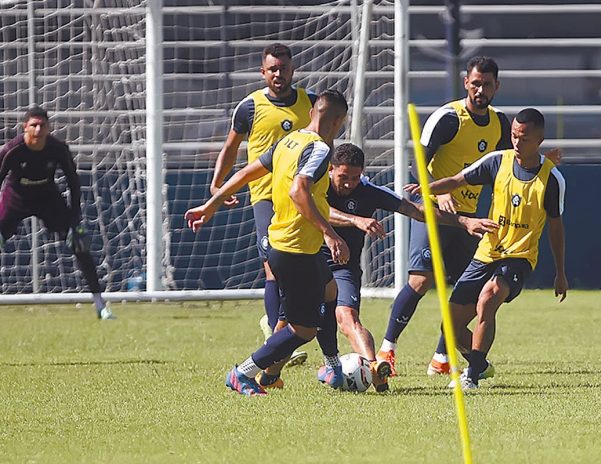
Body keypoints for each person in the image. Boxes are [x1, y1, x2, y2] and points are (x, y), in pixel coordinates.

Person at [185, 90, 349, 396]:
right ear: (339, 121)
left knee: (330, 290)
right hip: (294, 247)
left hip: (287, 243)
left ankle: (332, 366)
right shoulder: (318, 149)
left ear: (312, 111)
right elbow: (299, 190)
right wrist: (330, 232)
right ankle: (242, 373)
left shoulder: (289, 141)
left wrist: (211, 205)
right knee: (303, 329)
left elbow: (247, 172)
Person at [406, 108, 567, 390]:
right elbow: (458, 180)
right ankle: (480, 364)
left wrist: (561, 272)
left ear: (539, 139)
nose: (517, 142)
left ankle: (471, 375)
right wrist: (428, 187)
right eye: (514, 136)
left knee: (487, 299)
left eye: (524, 138)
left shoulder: (552, 180)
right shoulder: (497, 162)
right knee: (451, 328)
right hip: (487, 252)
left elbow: (555, 228)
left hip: (519, 257)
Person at [377, 56, 512, 377]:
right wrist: (440, 192)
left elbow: (504, 168)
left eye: (487, 84)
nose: (480, 90)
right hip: (432, 211)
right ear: (466, 82)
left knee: (467, 291)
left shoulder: (500, 124)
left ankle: (441, 358)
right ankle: (387, 349)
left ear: (497, 86)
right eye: (475, 83)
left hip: (468, 217)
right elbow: (416, 166)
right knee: (421, 280)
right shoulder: (449, 118)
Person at [325, 143, 498, 392]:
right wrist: (356, 220)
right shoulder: (316, 184)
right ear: (331, 170)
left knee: (346, 318)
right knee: (296, 327)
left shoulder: (368, 191)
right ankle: (268, 373)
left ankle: (375, 368)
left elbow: (417, 211)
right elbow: (313, 208)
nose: (349, 183)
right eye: (343, 177)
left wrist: (464, 221)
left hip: (344, 267)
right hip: (309, 260)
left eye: (355, 177)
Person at [210, 43, 316, 366]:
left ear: (292, 69)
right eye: (272, 69)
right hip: (266, 198)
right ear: (262, 72)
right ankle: (276, 334)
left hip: (301, 198)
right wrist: (217, 184)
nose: (278, 74)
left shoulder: (310, 104)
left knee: (304, 269)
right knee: (272, 266)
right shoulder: (249, 107)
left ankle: (289, 331)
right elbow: (231, 147)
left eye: (283, 68)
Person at [0, 107, 113, 319]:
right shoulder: (11, 150)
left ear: (49, 128)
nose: (38, 129)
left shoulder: (58, 148)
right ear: (25, 127)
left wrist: (75, 219)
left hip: (47, 198)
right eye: (33, 125)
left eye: (42, 125)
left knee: (79, 243)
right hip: (16, 197)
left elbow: (73, 183)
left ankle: (100, 305)